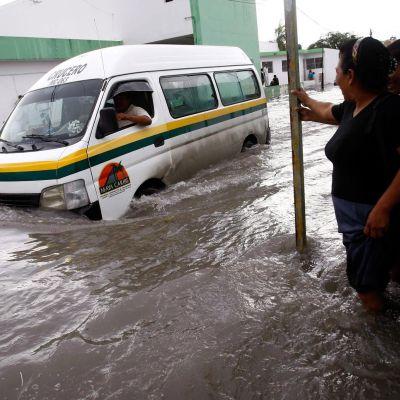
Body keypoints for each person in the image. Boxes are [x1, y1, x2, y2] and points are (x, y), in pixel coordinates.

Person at [292, 37, 400, 312]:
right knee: (382, 276)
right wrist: (307, 103)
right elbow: (330, 112)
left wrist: (383, 209)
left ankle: (379, 339)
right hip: (356, 222)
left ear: (351, 76)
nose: (336, 77)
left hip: (372, 220)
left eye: (339, 71)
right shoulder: (355, 106)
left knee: (366, 290)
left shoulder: (390, 110)